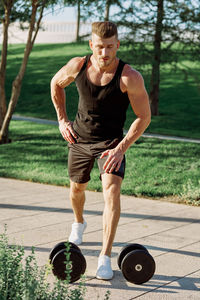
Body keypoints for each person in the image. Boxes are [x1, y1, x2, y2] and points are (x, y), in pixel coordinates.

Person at [50, 21, 151, 280]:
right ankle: (79, 222)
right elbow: (56, 84)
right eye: (99, 46)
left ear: (117, 45)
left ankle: (105, 257)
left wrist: (121, 148)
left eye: (110, 47)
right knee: (77, 189)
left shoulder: (130, 77)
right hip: (80, 139)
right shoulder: (78, 65)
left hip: (111, 144)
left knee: (112, 192)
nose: (104, 52)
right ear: (91, 45)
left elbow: (143, 116)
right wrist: (62, 120)